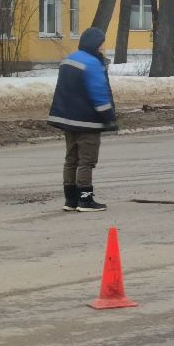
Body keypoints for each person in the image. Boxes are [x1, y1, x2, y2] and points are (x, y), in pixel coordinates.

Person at [47, 26, 117, 211]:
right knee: (87, 161)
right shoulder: (92, 63)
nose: (103, 47)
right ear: (95, 44)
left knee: (71, 160)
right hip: (88, 121)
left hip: (68, 120)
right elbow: (99, 92)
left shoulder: (69, 60)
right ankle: (86, 200)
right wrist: (109, 116)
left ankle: (70, 200)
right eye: (101, 44)